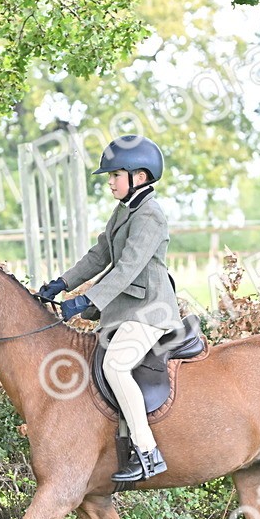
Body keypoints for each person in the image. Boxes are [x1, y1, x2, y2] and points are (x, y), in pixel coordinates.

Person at [37, 135, 182, 483]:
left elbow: (127, 268)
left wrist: (87, 301)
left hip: (150, 310)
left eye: (115, 175)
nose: (110, 182)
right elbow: (99, 256)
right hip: (125, 309)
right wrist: (63, 282)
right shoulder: (125, 209)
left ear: (140, 177)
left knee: (117, 367)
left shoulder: (151, 216)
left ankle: (148, 452)